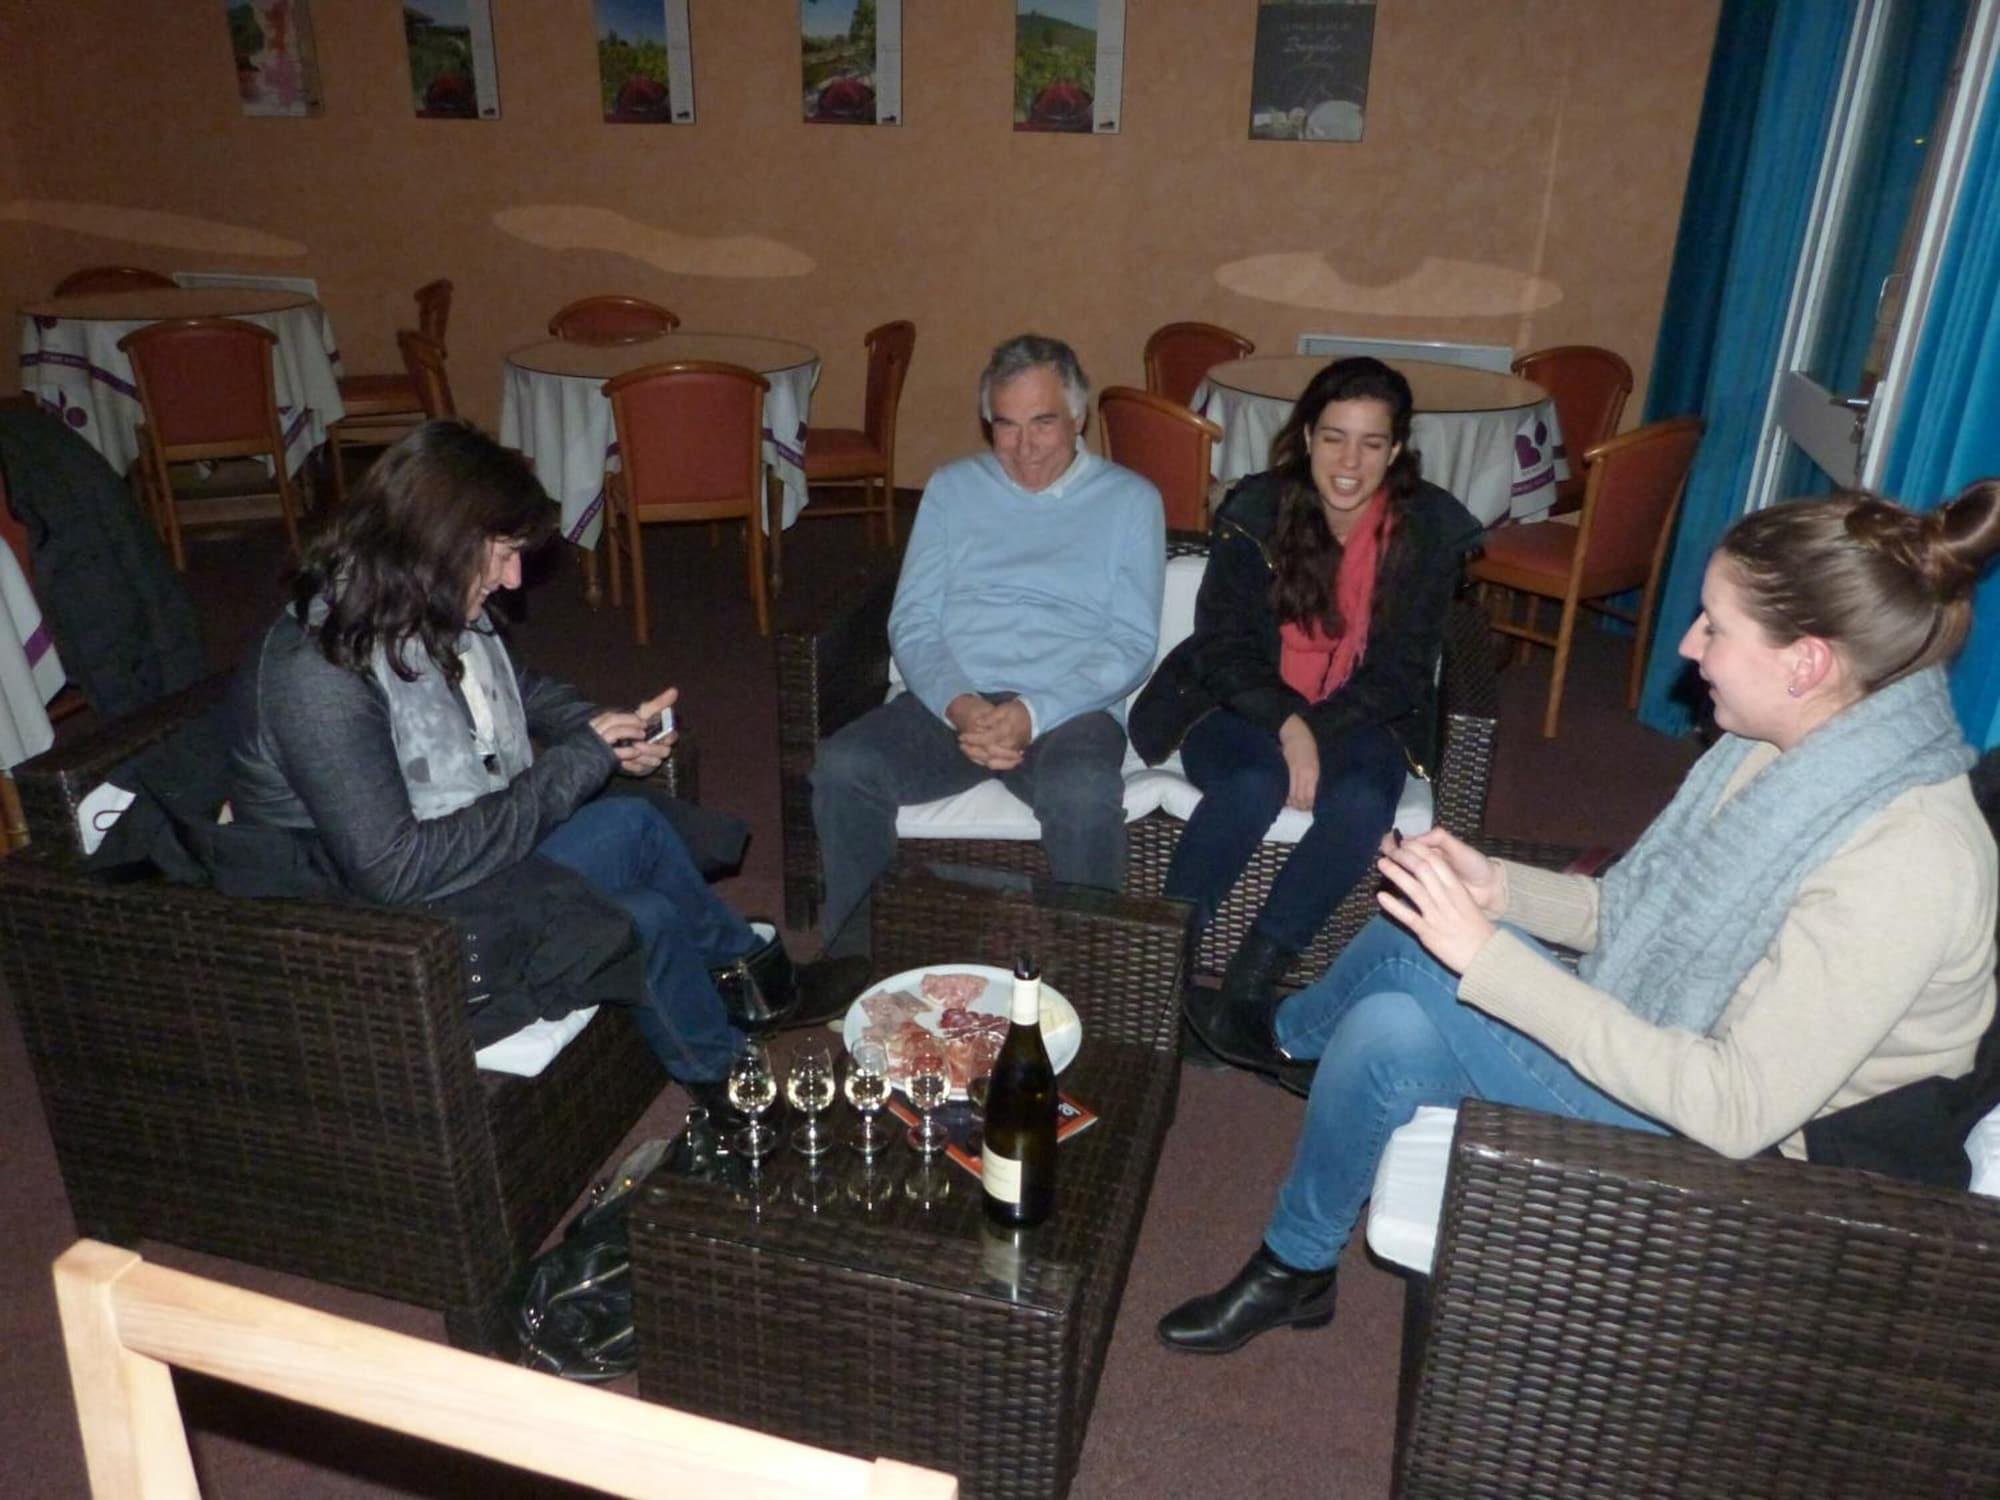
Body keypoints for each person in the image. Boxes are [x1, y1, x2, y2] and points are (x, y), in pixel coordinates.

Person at [1158, 481, 2000, 1355]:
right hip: (1685, 1043)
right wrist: (1499, 891)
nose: (1688, 645)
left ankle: (1282, 1037)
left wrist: (1484, 955)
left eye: (1714, 625)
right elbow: (1628, 910)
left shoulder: (1907, 860)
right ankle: (1297, 1265)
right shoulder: (1783, 753)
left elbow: (1738, 1105)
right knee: (1384, 1026)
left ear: (1806, 664)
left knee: (1416, 957)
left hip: (1770, 1170)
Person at [227, 419, 763, 1114]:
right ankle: (735, 1100)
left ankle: (750, 972)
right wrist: (573, 763)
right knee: (645, 916)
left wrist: (601, 730)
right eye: (503, 552)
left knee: (634, 821)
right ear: (437, 539)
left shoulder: (409, 598)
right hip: (380, 938)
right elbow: (394, 872)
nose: (514, 579)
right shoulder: (319, 672)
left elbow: (522, 689)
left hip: (449, 874)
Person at [1130, 357, 1481, 1072]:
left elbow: (1403, 672)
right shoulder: (1256, 510)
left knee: (1361, 806)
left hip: (1360, 716)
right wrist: (1290, 727)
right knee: (1253, 784)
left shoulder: (1427, 533)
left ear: (1397, 450)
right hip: (1239, 705)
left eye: (1372, 444)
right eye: (1334, 438)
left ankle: (1251, 982)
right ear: (1306, 437)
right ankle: (1163, 963)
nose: (1349, 463)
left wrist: (1318, 734)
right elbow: (1222, 646)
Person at [809, 333, 1165, 970]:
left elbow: (1132, 643)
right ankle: (857, 967)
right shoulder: (952, 489)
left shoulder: (1131, 500)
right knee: (842, 767)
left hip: (1069, 710)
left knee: (1083, 794)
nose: (1024, 447)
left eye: (1043, 423)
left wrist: (1033, 710)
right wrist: (960, 705)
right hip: (954, 700)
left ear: (1078, 417)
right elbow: (913, 620)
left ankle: (1085, 980)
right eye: (1006, 425)